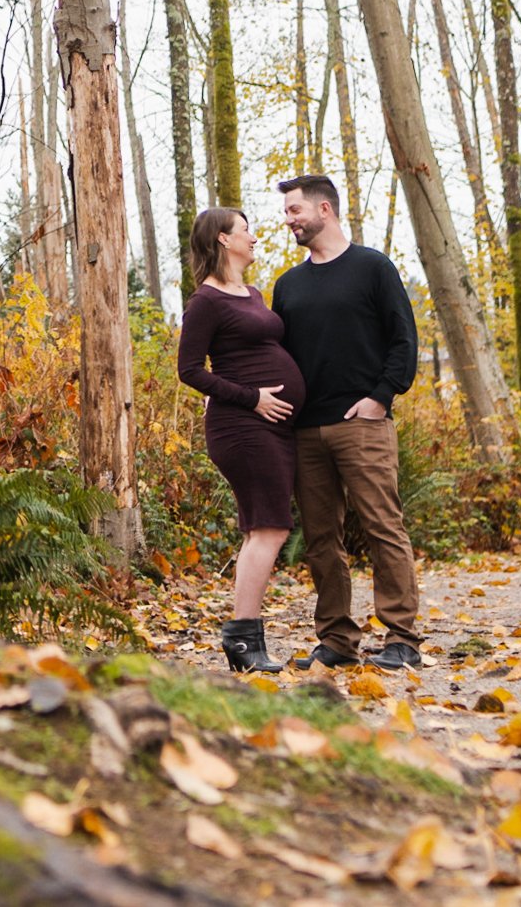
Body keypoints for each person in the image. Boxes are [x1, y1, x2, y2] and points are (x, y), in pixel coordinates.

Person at [273, 173, 423, 671]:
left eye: (295, 210)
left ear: (325, 210)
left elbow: (404, 339)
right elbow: (277, 357)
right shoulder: (288, 285)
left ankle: (402, 637)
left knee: (383, 528)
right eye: (287, 211)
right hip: (304, 431)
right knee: (321, 541)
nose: (288, 219)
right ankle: (337, 639)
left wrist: (380, 398)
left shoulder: (372, 268)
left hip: (362, 423)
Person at [175, 207, 302, 674]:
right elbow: (189, 370)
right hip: (243, 427)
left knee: (261, 528)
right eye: (246, 230)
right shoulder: (205, 301)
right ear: (224, 240)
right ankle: (244, 639)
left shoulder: (251, 293)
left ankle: (245, 642)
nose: (255, 236)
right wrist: (250, 399)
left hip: (274, 427)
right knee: (270, 527)